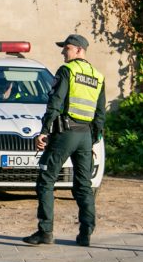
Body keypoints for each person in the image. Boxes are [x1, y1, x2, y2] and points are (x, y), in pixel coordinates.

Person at [23, 34, 106, 247]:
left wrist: (43, 131)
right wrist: (94, 140)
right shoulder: (98, 76)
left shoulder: (67, 71)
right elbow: (100, 115)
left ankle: (45, 231)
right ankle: (85, 234)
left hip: (66, 134)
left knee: (45, 180)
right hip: (85, 136)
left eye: (66, 48)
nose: (63, 52)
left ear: (79, 50)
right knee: (83, 186)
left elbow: (55, 102)